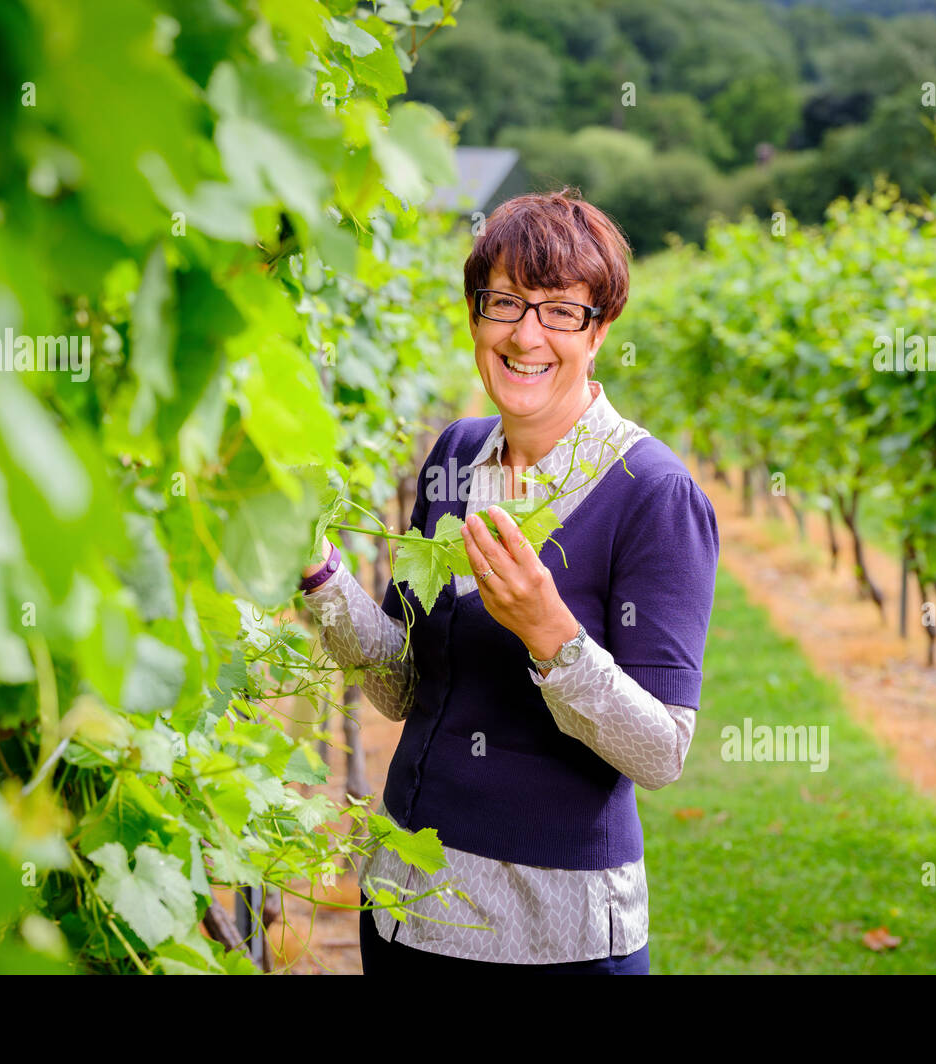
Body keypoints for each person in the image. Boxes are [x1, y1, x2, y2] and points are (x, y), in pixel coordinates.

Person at [299, 188, 719, 973]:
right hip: (405, 910)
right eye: (505, 303)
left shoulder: (652, 493)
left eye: (562, 310)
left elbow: (661, 753)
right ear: (474, 315)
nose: (528, 334)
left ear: (600, 332)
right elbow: (401, 687)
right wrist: (317, 569)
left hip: (550, 939)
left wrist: (549, 632)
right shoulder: (456, 455)